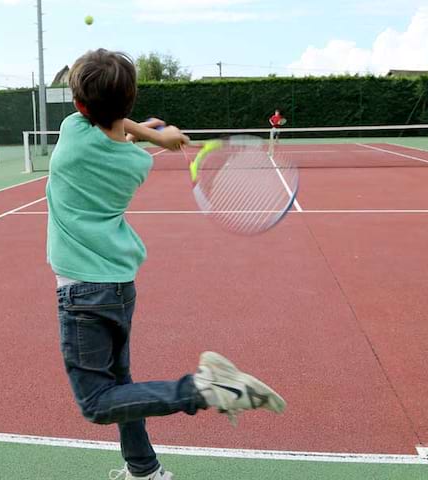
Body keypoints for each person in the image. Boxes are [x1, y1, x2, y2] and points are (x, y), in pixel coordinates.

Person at [47, 49, 286, 480]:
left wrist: (151, 134)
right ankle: (144, 469)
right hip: (118, 287)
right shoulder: (135, 163)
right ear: (131, 101)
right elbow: (117, 127)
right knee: (123, 387)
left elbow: (107, 122)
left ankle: (203, 389)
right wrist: (158, 137)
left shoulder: (72, 134)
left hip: (81, 292)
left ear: (80, 108)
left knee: (97, 403)